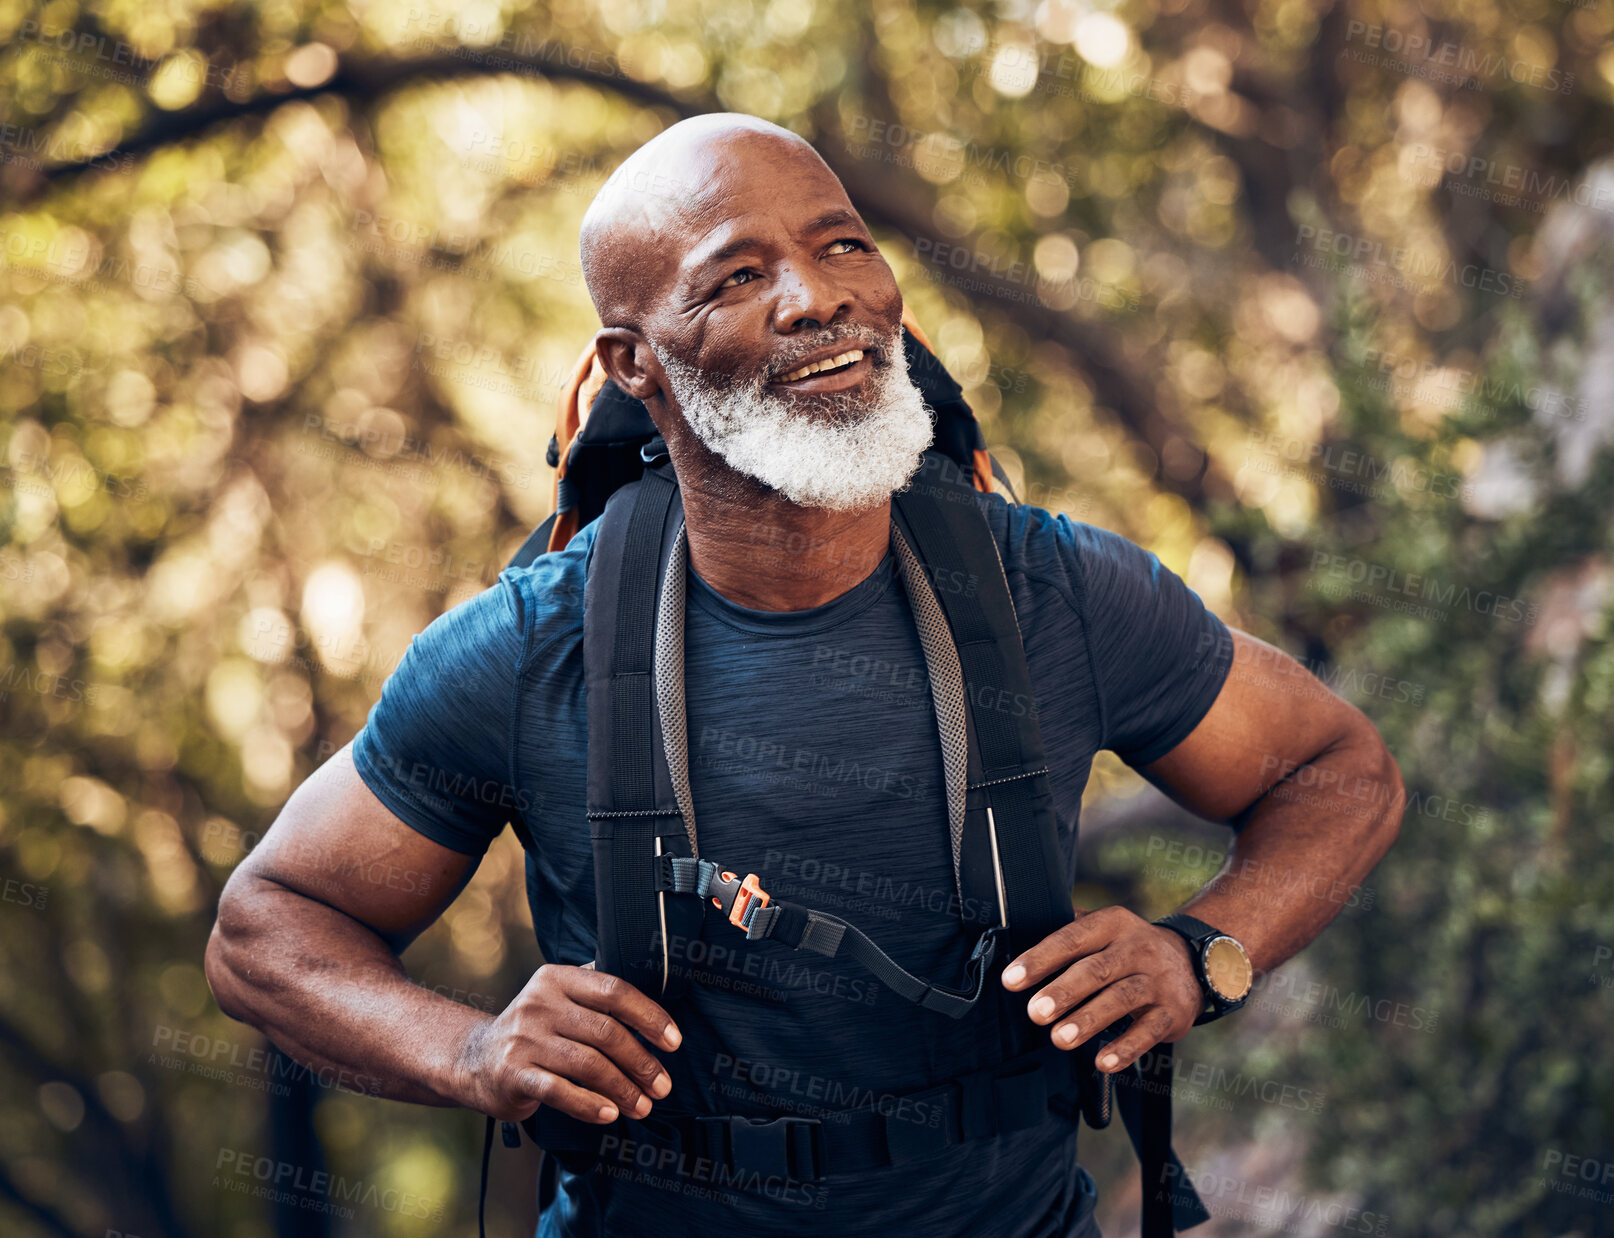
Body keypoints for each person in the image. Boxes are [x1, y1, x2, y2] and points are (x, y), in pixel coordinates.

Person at [205, 113, 1405, 1237]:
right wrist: (469, 1052)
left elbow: (1336, 768)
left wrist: (1204, 952)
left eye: (844, 247)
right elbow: (267, 930)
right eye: (737, 275)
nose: (819, 296)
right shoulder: (529, 651)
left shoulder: (1057, 592)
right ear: (636, 363)